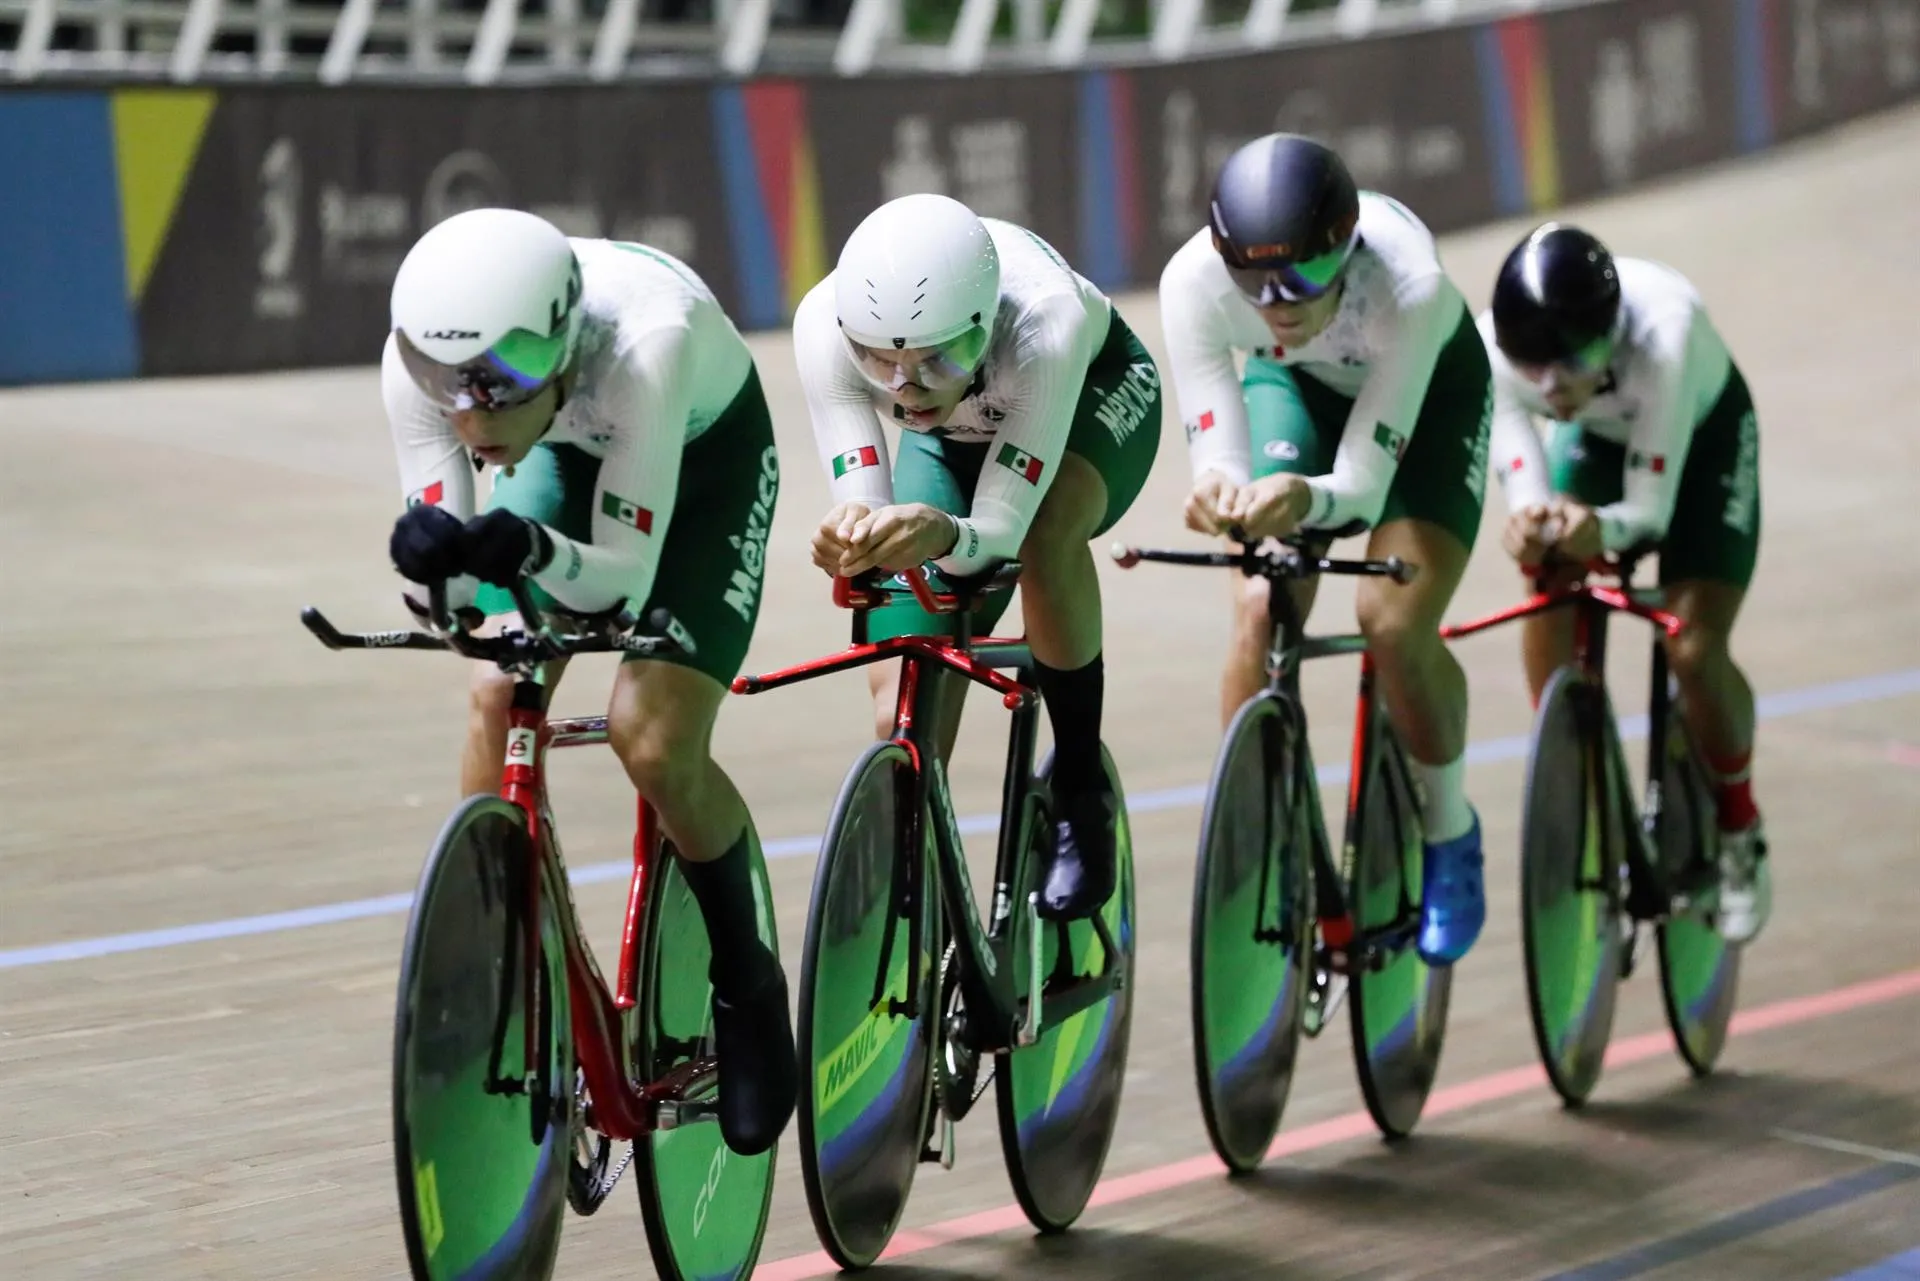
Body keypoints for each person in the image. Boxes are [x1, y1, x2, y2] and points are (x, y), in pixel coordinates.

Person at [379, 207, 796, 1154]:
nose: (469, 417)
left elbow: (619, 582)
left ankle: (747, 977)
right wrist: (440, 579)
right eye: (450, 390)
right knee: (495, 689)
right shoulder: (431, 368)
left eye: (495, 388)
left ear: (559, 352)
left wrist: (522, 541)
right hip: (566, 455)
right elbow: (457, 605)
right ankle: (500, 957)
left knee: (649, 731)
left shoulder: (650, 342)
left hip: (701, 466)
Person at [1158, 133, 1493, 967]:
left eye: (1305, 278)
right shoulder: (1193, 281)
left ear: (1346, 250)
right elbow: (1219, 449)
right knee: (1258, 603)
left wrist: (1304, 497)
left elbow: (1366, 486)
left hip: (1428, 401)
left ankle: (1450, 830)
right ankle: (1266, 833)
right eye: (1254, 283)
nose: (1277, 304)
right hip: (1297, 388)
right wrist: (1225, 491)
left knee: (1391, 615)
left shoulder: (1407, 285)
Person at [792, 193, 1163, 921]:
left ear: (985, 325)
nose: (905, 387)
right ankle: (924, 868)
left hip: (1087, 396)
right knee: (905, 676)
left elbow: (996, 529)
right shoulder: (823, 325)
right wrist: (851, 539)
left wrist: (946, 533)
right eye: (878, 363)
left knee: (1044, 533)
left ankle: (1081, 790)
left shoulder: (1043, 323)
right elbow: (864, 509)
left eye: (939, 357)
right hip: (956, 436)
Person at [1483, 222, 1768, 943]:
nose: (1551, 385)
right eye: (1534, 367)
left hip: (1697, 444)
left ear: (1609, 332)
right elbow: (1527, 487)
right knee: (1546, 569)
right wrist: (1531, 522)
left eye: (1572, 360)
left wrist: (1598, 527)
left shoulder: (1664, 334)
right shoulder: (1496, 352)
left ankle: (1739, 827)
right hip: (1603, 439)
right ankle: (1577, 773)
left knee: (1693, 649)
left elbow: (1646, 514)